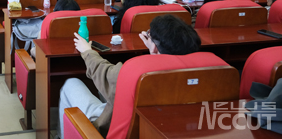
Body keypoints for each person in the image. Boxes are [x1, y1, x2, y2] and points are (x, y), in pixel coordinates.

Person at [58, 14, 201, 138]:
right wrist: (153, 50)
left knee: (71, 83)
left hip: (111, 128)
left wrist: (87, 51)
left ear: (155, 46)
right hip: (164, 128)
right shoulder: (202, 73)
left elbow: (103, 73)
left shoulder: (136, 74)